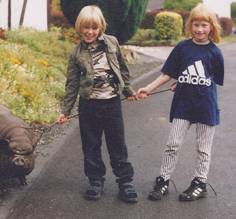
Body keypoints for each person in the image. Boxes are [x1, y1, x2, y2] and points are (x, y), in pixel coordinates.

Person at [137, 3, 224, 202]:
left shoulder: (215, 53)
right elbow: (168, 72)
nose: (200, 29)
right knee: (172, 144)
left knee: (203, 149)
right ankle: (163, 180)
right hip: (183, 106)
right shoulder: (182, 48)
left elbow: (212, 79)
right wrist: (148, 88)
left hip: (206, 107)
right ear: (190, 25)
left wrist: (190, 79)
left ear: (211, 27)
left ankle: (199, 183)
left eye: (204, 25)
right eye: (196, 24)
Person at [57, 5, 138, 203]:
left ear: (100, 28)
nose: (89, 32)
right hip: (89, 106)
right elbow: (72, 84)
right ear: (80, 28)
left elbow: (123, 69)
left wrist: (128, 91)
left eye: (94, 28)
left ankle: (125, 182)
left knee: (117, 144)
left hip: (111, 104)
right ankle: (95, 181)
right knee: (91, 145)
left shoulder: (112, 43)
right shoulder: (76, 53)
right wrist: (65, 111)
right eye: (86, 28)